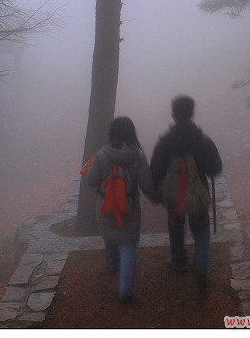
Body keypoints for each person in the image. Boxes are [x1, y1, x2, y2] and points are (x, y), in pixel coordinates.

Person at [150, 95, 222, 299]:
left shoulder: (164, 142)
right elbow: (215, 169)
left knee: (175, 226)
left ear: (173, 115)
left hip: (174, 195)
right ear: (192, 114)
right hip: (198, 194)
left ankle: (179, 261)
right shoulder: (203, 141)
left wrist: (156, 192)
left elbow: (155, 170)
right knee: (201, 231)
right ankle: (200, 264)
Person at [82, 116, 157, 302]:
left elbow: (90, 180)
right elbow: (147, 185)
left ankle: (112, 263)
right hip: (129, 209)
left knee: (109, 234)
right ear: (132, 133)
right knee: (128, 245)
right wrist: (158, 198)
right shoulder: (138, 156)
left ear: (112, 133)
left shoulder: (101, 155)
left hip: (105, 207)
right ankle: (124, 290)